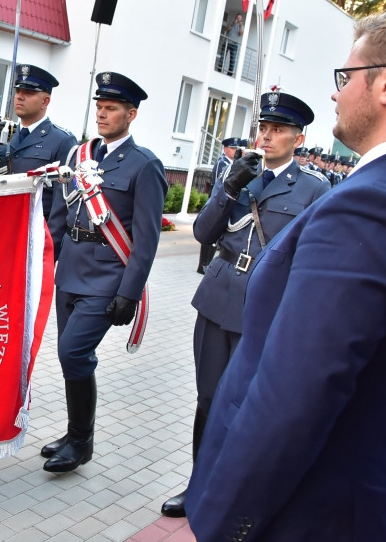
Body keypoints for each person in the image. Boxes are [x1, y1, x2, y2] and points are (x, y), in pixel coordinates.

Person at [185, 5, 386, 541]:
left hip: (311, 511)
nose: (335, 94)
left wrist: (226, 524)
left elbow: (293, 397)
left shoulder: (372, 205)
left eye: (345, 77)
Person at [161, 91, 328, 519]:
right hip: (218, 298)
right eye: (263, 128)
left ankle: (236, 488)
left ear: (298, 137)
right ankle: (199, 485)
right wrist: (230, 186)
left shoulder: (313, 188)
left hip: (266, 306)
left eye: (278, 130)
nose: (267, 136)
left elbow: (311, 254)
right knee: (208, 398)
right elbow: (202, 233)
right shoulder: (239, 175)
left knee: (249, 402)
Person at [42, 71, 167, 473]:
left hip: (107, 275)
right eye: (99, 106)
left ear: (131, 114)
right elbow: (61, 215)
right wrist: (46, 265)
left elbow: (146, 238)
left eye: (111, 108)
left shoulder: (145, 165)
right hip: (71, 271)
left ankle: (81, 442)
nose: (102, 113)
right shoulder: (81, 156)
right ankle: (73, 432)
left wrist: (129, 291)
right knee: (70, 359)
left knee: (73, 351)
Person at [0, 64, 76, 217]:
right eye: (18, 91)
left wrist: (50, 239)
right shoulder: (4, 134)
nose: (20, 96)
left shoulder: (62, 140)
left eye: (28, 92)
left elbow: (63, 201)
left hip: (34, 229)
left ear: (45, 102)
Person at [196, 136, 242, 274]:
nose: (234, 151)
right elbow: (218, 182)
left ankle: (207, 262)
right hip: (217, 199)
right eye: (232, 148)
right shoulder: (222, 163)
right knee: (210, 232)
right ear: (225, 148)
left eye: (236, 148)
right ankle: (203, 263)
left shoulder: (234, 163)